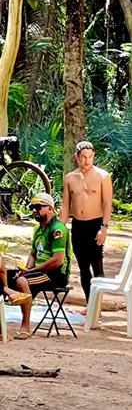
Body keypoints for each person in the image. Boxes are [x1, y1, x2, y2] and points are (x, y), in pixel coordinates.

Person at [6, 194, 70, 339]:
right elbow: (33, 254)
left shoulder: (58, 228)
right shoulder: (37, 228)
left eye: (38, 207)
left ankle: (25, 326)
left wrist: (30, 272)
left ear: (50, 208)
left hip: (55, 274)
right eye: (32, 207)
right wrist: (25, 270)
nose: (34, 210)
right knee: (3, 276)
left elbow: (57, 260)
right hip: (38, 271)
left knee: (22, 281)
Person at [59, 140, 112, 304]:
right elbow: (65, 205)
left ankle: (98, 307)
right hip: (78, 225)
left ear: (94, 156)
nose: (87, 161)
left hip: (95, 224)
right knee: (83, 267)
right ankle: (90, 304)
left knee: (97, 265)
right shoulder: (69, 178)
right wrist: (60, 227)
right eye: (83, 157)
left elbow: (107, 203)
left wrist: (104, 227)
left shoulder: (103, 176)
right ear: (76, 157)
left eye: (90, 157)